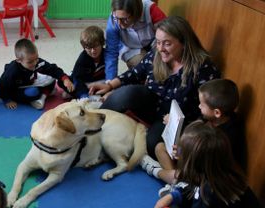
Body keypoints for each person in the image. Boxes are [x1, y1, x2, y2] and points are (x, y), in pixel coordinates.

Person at [90, 16, 221, 170]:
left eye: (167, 43)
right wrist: (110, 85)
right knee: (127, 93)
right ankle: (92, 126)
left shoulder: (203, 68)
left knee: (153, 145)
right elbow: (135, 73)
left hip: (175, 121)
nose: (160, 48)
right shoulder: (156, 55)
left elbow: (207, 109)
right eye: (158, 42)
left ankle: (172, 173)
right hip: (153, 103)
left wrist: (183, 126)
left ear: (184, 43)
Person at [146, 79, 247, 187]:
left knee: (178, 174)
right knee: (159, 148)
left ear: (217, 112)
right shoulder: (207, 118)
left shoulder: (227, 136)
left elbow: (209, 165)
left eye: (202, 105)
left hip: (205, 173)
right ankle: (177, 183)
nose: (199, 107)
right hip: (191, 159)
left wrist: (184, 155)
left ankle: (155, 171)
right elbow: (192, 133)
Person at [0, 38, 75, 110]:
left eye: (36, 58)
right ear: (19, 61)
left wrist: (65, 79)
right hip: (19, 89)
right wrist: (7, 100)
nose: (35, 63)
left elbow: (52, 69)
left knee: (52, 79)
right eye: (30, 62)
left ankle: (43, 95)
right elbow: (2, 85)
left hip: (32, 82)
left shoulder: (36, 62)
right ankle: (43, 95)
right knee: (33, 92)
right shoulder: (12, 71)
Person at [105, 0, 166, 80]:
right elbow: (111, 52)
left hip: (152, 43)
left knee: (160, 66)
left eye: (125, 19)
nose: (119, 23)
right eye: (117, 18)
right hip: (130, 48)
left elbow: (167, 35)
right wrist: (110, 82)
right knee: (143, 65)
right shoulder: (113, 21)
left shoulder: (151, 10)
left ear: (137, 14)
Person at [71, 25, 106, 99]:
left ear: (102, 43)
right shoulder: (82, 59)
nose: (93, 51)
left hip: (100, 81)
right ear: (84, 47)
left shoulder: (107, 55)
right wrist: (84, 95)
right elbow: (77, 79)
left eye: (96, 46)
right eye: (89, 48)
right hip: (85, 82)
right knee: (68, 83)